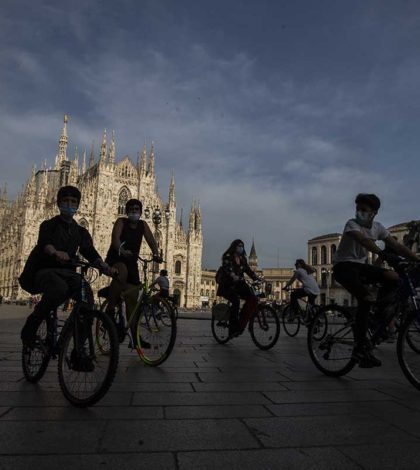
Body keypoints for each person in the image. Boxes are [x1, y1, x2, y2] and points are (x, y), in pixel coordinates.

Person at [20, 185, 115, 346]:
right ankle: (32, 324)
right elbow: (45, 243)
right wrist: (55, 252)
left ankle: (79, 347)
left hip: (68, 273)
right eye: (65, 201)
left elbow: (89, 251)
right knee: (59, 289)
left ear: (77, 205)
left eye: (73, 201)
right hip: (45, 271)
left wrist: (104, 266)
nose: (70, 205)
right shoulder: (48, 224)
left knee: (87, 296)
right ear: (58, 203)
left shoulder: (81, 231)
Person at [333, 193, 420, 368]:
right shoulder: (352, 224)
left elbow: (397, 246)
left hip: (361, 267)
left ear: (374, 213)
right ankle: (360, 349)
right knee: (366, 298)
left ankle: (378, 316)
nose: (359, 212)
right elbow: (364, 241)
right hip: (343, 267)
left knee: (394, 277)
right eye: (358, 209)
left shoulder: (378, 227)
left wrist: (416, 260)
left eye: (364, 210)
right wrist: (382, 253)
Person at [104, 198, 162, 316]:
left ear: (140, 212)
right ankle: (110, 308)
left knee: (133, 298)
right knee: (122, 271)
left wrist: (156, 254)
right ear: (126, 211)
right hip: (116, 257)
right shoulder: (121, 222)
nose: (134, 212)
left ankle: (133, 332)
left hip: (131, 261)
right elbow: (115, 238)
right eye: (131, 209)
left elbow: (151, 240)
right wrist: (122, 250)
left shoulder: (143, 225)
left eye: (136, 209)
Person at [216, 239, 259, 337]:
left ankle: (242, 320)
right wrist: (233, 275)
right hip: (228, 285)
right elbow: (227, 268)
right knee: (236, 301)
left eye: (242, 246)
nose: (241, 248)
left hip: (239, 284)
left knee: (252, 298)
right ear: (234, 247)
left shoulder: (243, 259)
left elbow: (248, 270)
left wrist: (256, 278)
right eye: (239, 246)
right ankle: (232, 329)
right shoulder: (227, 256)